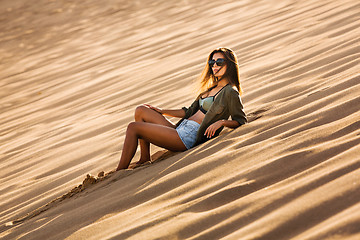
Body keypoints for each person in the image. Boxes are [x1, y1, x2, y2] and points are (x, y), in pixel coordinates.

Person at [116, 47, 247, 170]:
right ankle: (144, 158)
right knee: (141, 110)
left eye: (219, 62)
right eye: (212, 62)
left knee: (133, 127)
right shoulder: (211, 88)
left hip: (188, 137)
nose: (215, 66)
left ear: (230, 64)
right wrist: (162, 111)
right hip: (181, 128)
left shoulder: (230, 92)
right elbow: (188, 111)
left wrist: (222, 122)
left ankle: (119, 172)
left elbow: (241, 121)